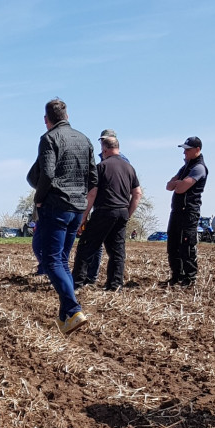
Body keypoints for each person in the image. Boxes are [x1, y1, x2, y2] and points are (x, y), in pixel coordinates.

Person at [32, 98, 97, 335]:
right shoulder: (85, 139)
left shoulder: (48, 139)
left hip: (56, 206)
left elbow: (47, 174)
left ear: (46, 120)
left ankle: (74, 308)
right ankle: (64, 319)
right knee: (61, 259)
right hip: (77, 208)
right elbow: (93, 177)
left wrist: (39, 199)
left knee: (51, 261)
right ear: (67, 116)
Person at [72, 131, 142, 291]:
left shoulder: (101, 167)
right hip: (122, 211)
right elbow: (137, 193)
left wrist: (83, 216)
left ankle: (77, 283)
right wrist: (127, 213)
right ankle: (115, 284)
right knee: (117, 251)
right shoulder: (129, 168)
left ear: (104, 150)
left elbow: (92, 193)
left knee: (86, 246)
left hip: (105, 211)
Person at [165, 136, 208, 287]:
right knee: (172, 245)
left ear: (197, 150)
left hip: (189, 212)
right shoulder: (185, 168)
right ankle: (176, 275)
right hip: (176, 211)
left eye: (187, 150)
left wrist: (179, 183)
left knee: (186, 245)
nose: (184, 153)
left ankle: (189, 279)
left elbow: (181, 188)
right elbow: (169, 186)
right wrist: (178, 183)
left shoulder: (198, 168)